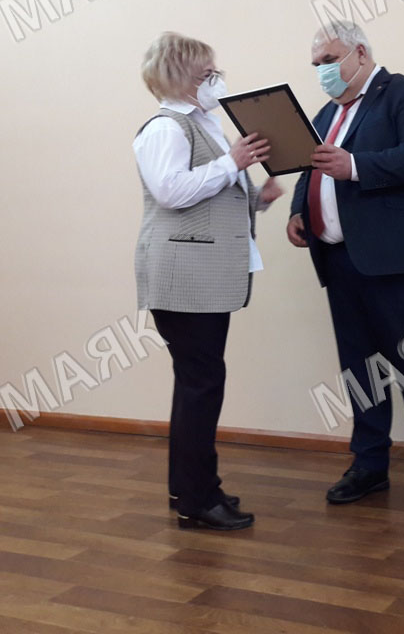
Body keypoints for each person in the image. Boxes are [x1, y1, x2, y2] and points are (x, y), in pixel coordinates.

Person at [286, 20, 404, 511]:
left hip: (395, 261)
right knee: (360, 370)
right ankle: (369, 465)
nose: (322, 70)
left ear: (360, 53)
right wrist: (299, 210)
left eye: (329, 60)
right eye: (316, 64)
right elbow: (309, 169)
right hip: (338, 259)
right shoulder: (325, 113)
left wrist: (355, 166)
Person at [134, 31, 284, 530]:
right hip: (184, 278)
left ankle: (190, 488)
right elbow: (171, 192)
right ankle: (199, 500)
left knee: (196, 384)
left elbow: (215, 193)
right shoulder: (165, 128)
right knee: (202, 385)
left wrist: (259, 197)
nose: (216, 81)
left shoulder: (205, 124)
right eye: (207, 74)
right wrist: (232, 162)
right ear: (180, 77)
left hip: (201, 275)